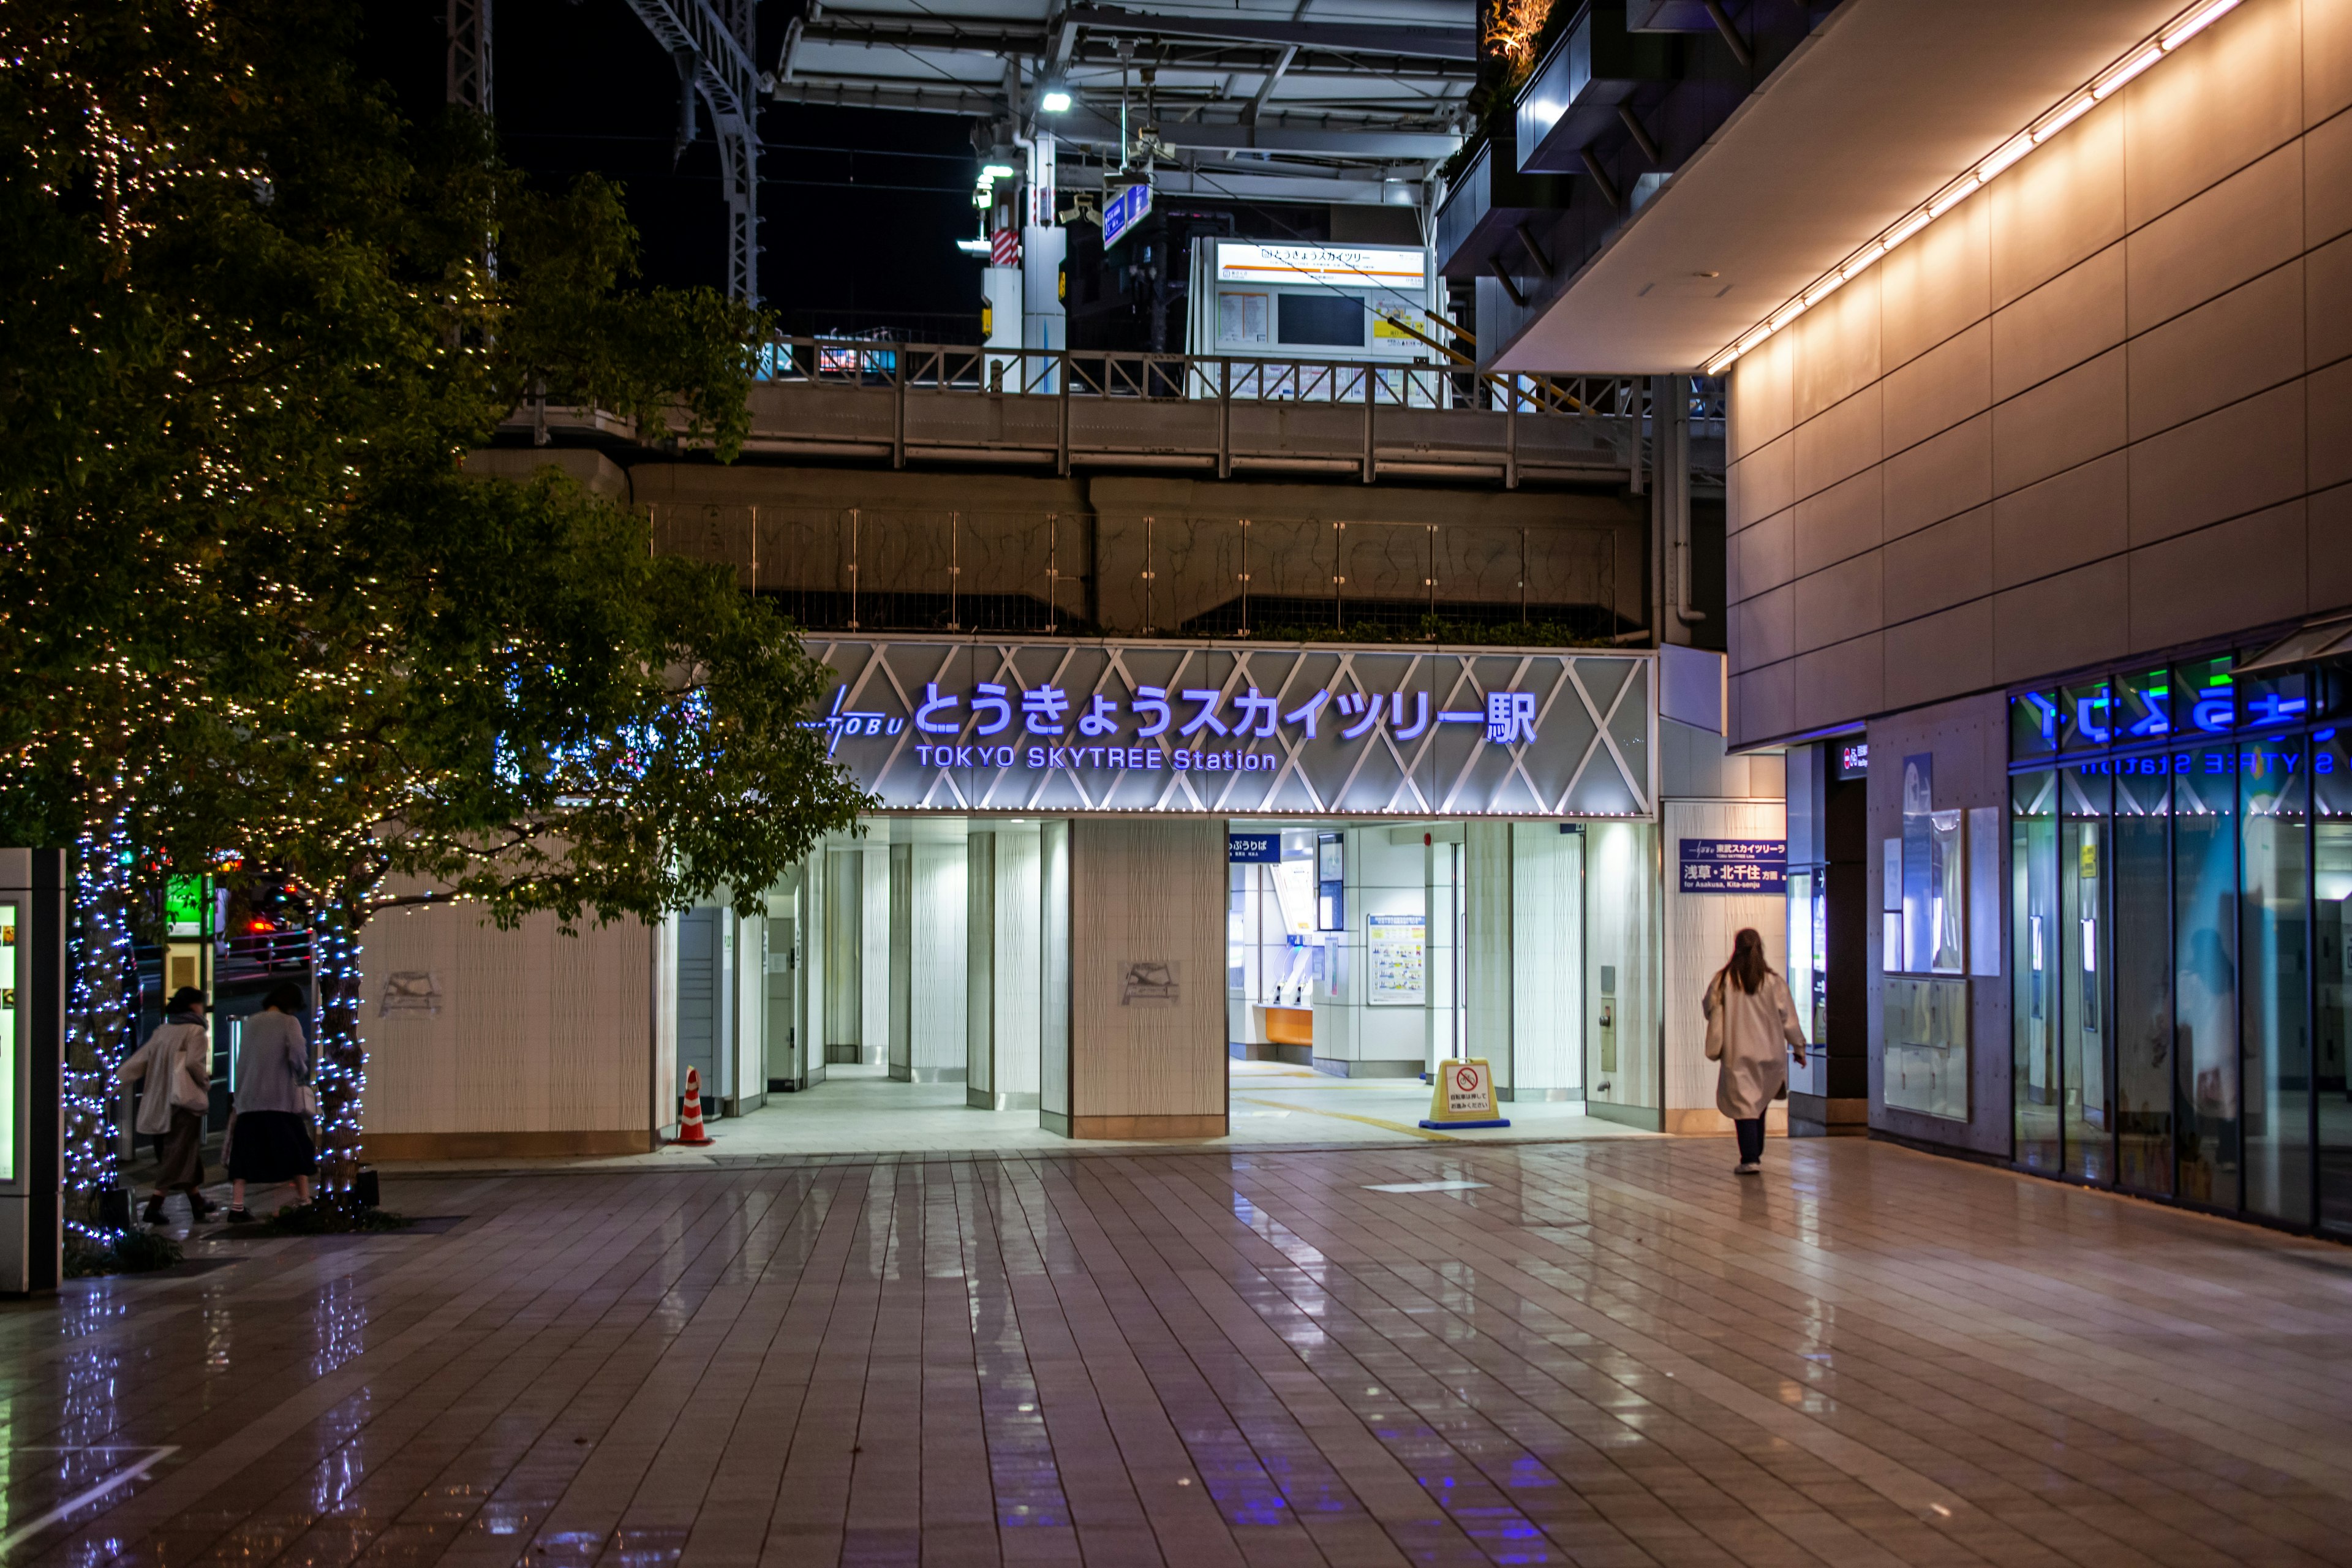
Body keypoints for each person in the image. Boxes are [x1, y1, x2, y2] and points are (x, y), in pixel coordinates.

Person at [1702, 927, 1808, 1175]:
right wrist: (1799, 1048)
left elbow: (1709, 1007)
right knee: (1759, 1104)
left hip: (1737, 1054)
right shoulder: (1773, 982)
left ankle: (1750, 1157)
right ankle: (1755, 1153)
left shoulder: (1724, 980)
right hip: (1770, 1054)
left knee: (1744, 1106)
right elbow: (1789, 1019)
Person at [119, 987, 217, 1224]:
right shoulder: (196, 1031)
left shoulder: (163, 1030)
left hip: (160, 1102)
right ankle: (154, 1205)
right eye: (200, 1003)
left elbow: (139, 1061)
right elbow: (195, 1064)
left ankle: (197, 1203)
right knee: (177, 1154)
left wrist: (113, 1083)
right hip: (184, 1103)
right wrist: (205, 1083)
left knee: (184, 1153)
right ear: (193, 1006)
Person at [224, 982, 318, 1221]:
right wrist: (301, 1071)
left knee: (244, 1154)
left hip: (249, 1100)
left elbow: (243, 1059)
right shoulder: (289, 1023)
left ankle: (236, 1206)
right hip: (278, 1098)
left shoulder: (251, 1022)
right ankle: (305, 1199)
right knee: (296, 1148)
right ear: (291, 1004)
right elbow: (297, 1054)